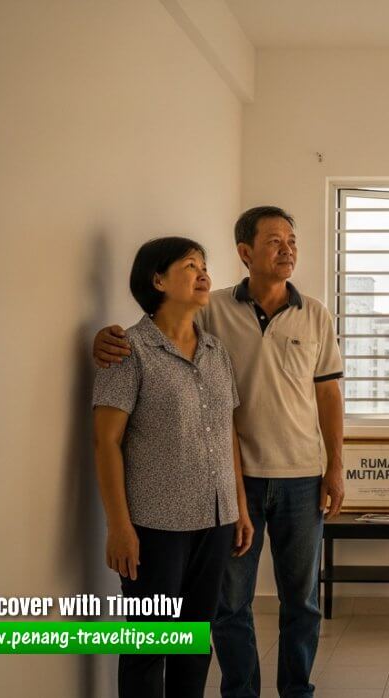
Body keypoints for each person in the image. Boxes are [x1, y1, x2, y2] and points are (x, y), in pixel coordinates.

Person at [94, 207, 345, 698]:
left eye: (292, 240)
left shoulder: (310, 314)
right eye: (274, 240)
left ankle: (297, 691)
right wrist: (105, 339)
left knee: (300, 602)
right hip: (227, 488)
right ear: (246, 252)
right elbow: (154, 327)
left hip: (293, 479)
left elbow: (328, 395)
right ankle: (241, 693)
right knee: (226, 610)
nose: (287, 248)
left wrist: (335, 466)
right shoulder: (210, 310)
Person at [92, 237, 255, 698]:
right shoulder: (128, 349)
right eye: (189, 266)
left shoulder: (216, 352)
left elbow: (228, 435)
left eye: (204, 266)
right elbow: (106, 441)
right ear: (157, 279)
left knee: (194, 643)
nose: (203, 274)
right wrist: (119, 526)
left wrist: (239, 508)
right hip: (155, 526)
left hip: (216, 521)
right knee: (148, 647)